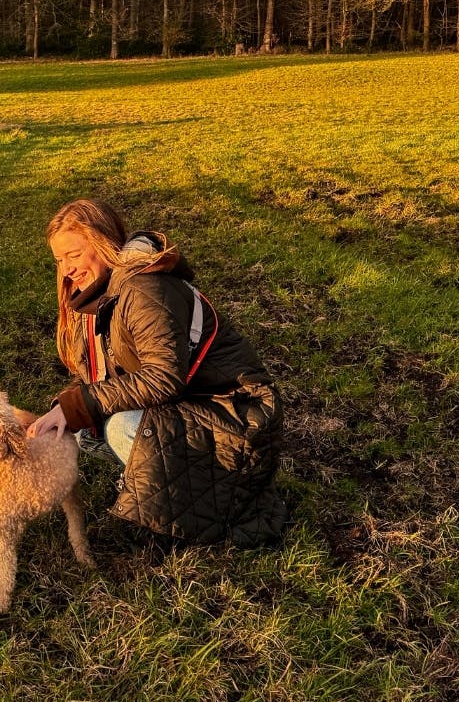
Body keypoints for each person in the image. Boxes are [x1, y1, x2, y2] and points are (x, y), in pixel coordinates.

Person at [27, 198, 286, 547]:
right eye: (59, 260)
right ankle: (184, 485)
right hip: (193, 406)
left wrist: (79, 405)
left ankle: (211, 501)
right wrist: (66, 408)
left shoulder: (143, 288)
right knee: (85, 431)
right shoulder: (97, 297)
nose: (67, 269)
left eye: (74, 255)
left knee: (121, 426)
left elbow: (163, 377)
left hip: (237, 413)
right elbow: (96, 378)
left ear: (103, 242)